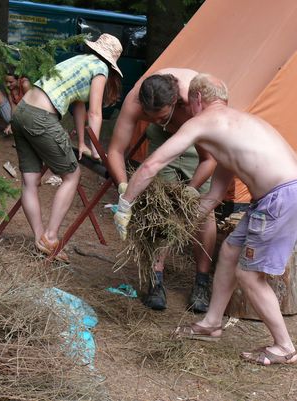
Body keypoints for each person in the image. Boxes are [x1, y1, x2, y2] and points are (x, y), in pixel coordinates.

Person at [114, 74, 297, 365]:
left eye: (188, 104)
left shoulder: (202, 121)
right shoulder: (234, 128)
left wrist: (125, 204)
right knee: (230, 251)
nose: (187, 110)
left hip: (282, 198)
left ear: (198, 99)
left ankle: (285, 347)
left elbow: (152, 164)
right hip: (286, 195)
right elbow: (213, 196)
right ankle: (211, 323)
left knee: (249, 275)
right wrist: (177, 227)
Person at [108, 69, 217, 312]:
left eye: (162, 116)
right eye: (151, 117)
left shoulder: (193, 102)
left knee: (204, 212)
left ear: (175, 102)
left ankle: (201, 282)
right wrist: (124, 187)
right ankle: (155, 279)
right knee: (161, 208)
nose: (156, 121)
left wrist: (189, 191)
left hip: (197, 144)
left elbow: (209, 159)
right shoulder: (136, 100)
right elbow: (115, 150)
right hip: (163, 142)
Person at [11, 33, 123, 262]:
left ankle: (41, 240)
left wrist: (82, 143)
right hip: (40, 117)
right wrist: (95, 148)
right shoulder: (100, 69)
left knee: (30, 181)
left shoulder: (80, 62)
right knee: (72, 176)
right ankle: (51, 237)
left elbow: (78, 107)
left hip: (21, 111)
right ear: (112, 62)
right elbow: (95, 112)